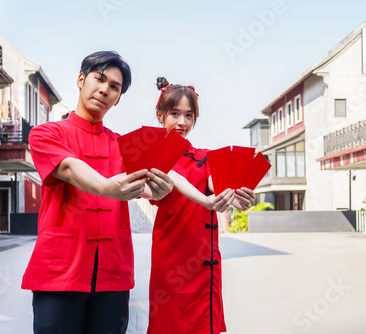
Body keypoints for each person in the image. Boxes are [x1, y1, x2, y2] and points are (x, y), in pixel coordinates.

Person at [21, 52, 174, 334]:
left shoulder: (125, 146)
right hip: (59, 273)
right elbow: (67, 168)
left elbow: (148, 186)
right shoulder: (46, 134)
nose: (105, 90)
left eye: (115, 87)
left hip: (112, 275)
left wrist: (159, 191)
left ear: (118, 98)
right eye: (100, 79)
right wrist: (106, 187)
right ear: (81, 79)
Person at [147, 77, 256, 333]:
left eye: (189, 115)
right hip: (169, 260)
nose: (182, 122)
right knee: (167, 324)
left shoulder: (204, 157)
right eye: (174, 114)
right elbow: (168, 179)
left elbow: (217, 184)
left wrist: (238, 197)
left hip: (203, 262)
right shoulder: (150, 153)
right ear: (160, 115)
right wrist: (207, 200)